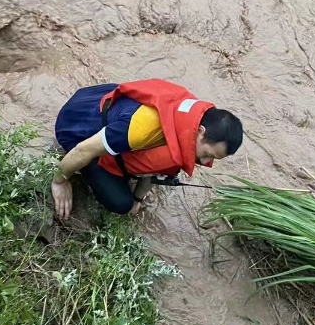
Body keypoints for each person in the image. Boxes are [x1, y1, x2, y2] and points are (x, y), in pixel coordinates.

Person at [51, 79, 243, 220]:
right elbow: (83, 150)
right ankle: (88, 169)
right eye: (208, 154)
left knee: (131, 201)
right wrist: (60, 181)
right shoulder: (143, 128)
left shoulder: (189, 120)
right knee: (121, 204)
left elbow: (159, 169)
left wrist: (138, 199)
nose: (205, 162)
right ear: (200, 132)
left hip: (98, 95)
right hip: (76, 124)